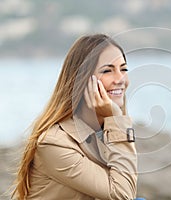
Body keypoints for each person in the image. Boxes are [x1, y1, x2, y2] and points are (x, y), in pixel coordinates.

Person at [12, 34, 137, 199]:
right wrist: (116, 119)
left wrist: (115, 122)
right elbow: (123, 194)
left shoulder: (108, 130)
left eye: (123, 69)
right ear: (82, 79)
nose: (120, 79)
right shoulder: (54, 143)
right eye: (108, 70)